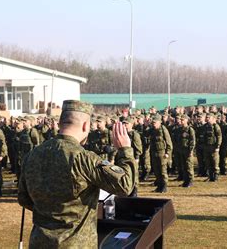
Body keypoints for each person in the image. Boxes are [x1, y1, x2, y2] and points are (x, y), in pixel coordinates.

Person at [17, 100, 137, 248]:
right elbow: (125, 186)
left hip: (40, 242)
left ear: (60, 123)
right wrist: (125, 150)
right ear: (86, 125)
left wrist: (50, 211)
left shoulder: (32, 155)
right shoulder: (83, 158)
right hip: (74, 244)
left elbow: (23, 198)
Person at [148, 114, 173, 193]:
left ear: (159, 122)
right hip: (154, 152)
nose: (153, 124)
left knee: (163, 170)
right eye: (153, 122)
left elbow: (169, 143)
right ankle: (159, 186)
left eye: (155, 122)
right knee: (156, 170)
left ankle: (164, 186)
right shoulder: (152, 130)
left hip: (162, 153)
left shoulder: (163, 129)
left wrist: (167, 153)